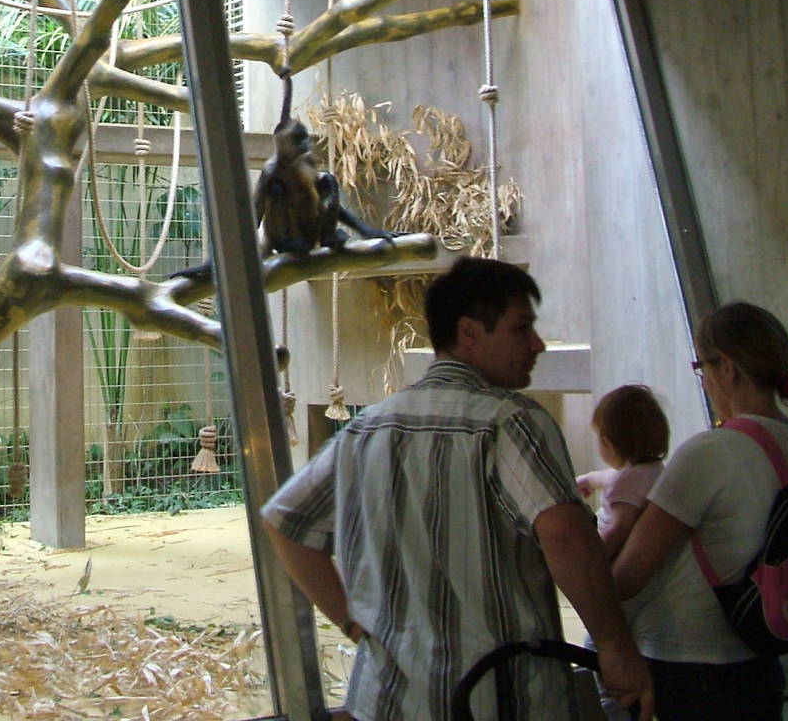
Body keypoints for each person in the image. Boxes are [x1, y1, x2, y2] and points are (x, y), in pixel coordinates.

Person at [260, 257, 653, 721]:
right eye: (521, 328)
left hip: (386, 701)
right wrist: (614, 647)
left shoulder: (366, 427)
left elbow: (284, 522)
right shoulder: (511, 421)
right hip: (497, 699)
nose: (537, 344)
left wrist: (351, 622)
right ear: (469, 333)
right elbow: (566, 535)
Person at [611, 301, 788, 721]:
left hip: (691, 665)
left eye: (702, 368)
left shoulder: (710, 452)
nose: (705, 382)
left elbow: (628, 576)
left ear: (727, 369)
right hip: (758, 661)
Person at [577, 384, 671, 559]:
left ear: (608, 444)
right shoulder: (652, 470)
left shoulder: (628, 481)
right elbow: (609, 477)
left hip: (613, 554)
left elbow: (618, 530)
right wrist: (588, 480)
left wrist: (593, 564)